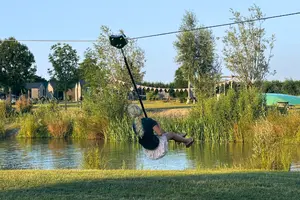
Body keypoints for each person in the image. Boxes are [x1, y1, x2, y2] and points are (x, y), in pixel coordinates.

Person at [128, 104, 194, 160]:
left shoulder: (134, 125)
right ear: (140, 111)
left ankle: (179, 137)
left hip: (148, 150)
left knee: (168, 135)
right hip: (157, 148)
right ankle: (186, 141)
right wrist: (156, 123)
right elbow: (160, 133)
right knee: (171, 134)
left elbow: (146, 134)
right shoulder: (149, 121)